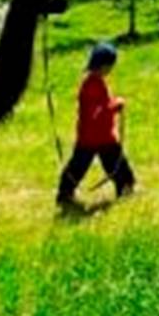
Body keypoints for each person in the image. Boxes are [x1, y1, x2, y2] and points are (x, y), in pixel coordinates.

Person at [57, 42, 136, 205]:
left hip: (95, 135)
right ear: (103, 65)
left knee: (85, 165)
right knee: (86, 166)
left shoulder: (95, 81)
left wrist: (111, 103)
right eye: (110, 66)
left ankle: (125, 188)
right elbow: (97, 113)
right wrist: (116, 105)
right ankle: (65, 193)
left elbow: (101, 106)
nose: (110, 70)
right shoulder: (92, 85)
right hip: (96, 136)